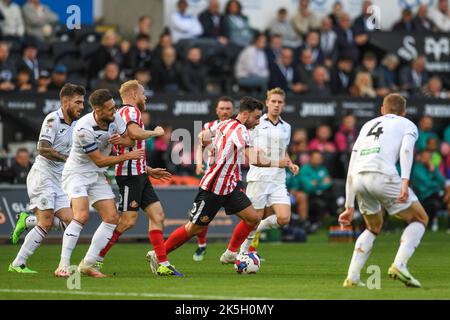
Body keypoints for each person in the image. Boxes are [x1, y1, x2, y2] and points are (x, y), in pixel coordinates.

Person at [150, 97, 290, 272]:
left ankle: (231, 253)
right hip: (214, 187)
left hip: (229, 186)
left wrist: (213, 150)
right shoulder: (240, 130)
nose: (257, 122)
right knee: (193, 228)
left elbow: (203, 136)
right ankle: (158, 254)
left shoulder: (225, 124)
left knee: (253, 218)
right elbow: (254, 160)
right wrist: (278, 162)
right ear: (245, 115)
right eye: (255, 118)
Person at [340, 93, 429, 288]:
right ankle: (400, 265)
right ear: (403, 112)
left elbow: (351, 165)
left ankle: (352, 277)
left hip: (359, 178)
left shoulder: (367, 125)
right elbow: (406, 150)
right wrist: (405, 181)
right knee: (420, 219)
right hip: (382, 175)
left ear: (382, 109)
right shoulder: (407, 125)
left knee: (373, 227)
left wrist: (348, 205)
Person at [93, 80, 181, 276]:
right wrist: (156, 132)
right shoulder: (130, 112)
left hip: (139, 173)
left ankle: (163, 263)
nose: (145, 97)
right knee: (127, 221)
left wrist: (148, 170)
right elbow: (134, 134)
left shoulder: (124, 113)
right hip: (129, 176)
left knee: (157, 216)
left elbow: (130, 145)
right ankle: (95, 258)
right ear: (133, 95)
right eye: (143, 93)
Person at [54, 89, 144, 278]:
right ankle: (62, 265)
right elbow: (100, 160)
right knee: (82, 216)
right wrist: (128, 155)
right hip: (76, 173)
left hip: (96, 174)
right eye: (110, 109)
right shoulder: (83, 129)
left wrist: (122, 140)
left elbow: (129, 140)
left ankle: (87, 264)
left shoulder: (115, 118)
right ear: (97, 109)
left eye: (114, 107)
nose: (114, 111)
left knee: (112, 218)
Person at [8, 84, 86, 273]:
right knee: (46, 222)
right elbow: (42, 148)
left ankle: (27, 221)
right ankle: (18, 263)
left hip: (59, 180)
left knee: (72, 220)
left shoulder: (77, 124)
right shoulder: (52, 119)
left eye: (82, 102)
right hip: (42, 176)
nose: (81, 106)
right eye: (77, 102)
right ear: (65, 102)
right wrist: (67, 159)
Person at [239, 88, 299, 254]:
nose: (276, 105)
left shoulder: (286, 127)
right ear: (267, 103)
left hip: (278, 180)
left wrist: (290, 163)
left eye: (279, 102)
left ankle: (257, 231)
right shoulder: (257, 122)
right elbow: (245, 146)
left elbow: (283, 150)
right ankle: (243, 252)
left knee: (284, 218)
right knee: (253, 219)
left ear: (284, 105)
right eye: (273, 101)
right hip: (259, 177)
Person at [193, 96, 234, 261]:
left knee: (249, 215)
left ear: (233, 111)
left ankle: (245, 248)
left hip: (233, 177)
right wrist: (198, 164)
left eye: (228, 109)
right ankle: (202, 245)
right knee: (203, 216)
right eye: (222, 108)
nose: (225, 111)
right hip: (213, 177)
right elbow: (200, 146)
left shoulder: (237, 128)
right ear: (217, 110)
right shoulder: (209, 127)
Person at [412, 150, 446, 232]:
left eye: (429, 157)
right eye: (425, 157)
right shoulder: (417, 169)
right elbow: (426, 185)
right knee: (434, 202)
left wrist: (434, 171)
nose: (427, 159)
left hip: (435, 194)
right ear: (421, 157)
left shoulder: (432, 167)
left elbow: (442, 181)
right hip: (423, 197)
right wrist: (435, 184)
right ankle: (432, 223)